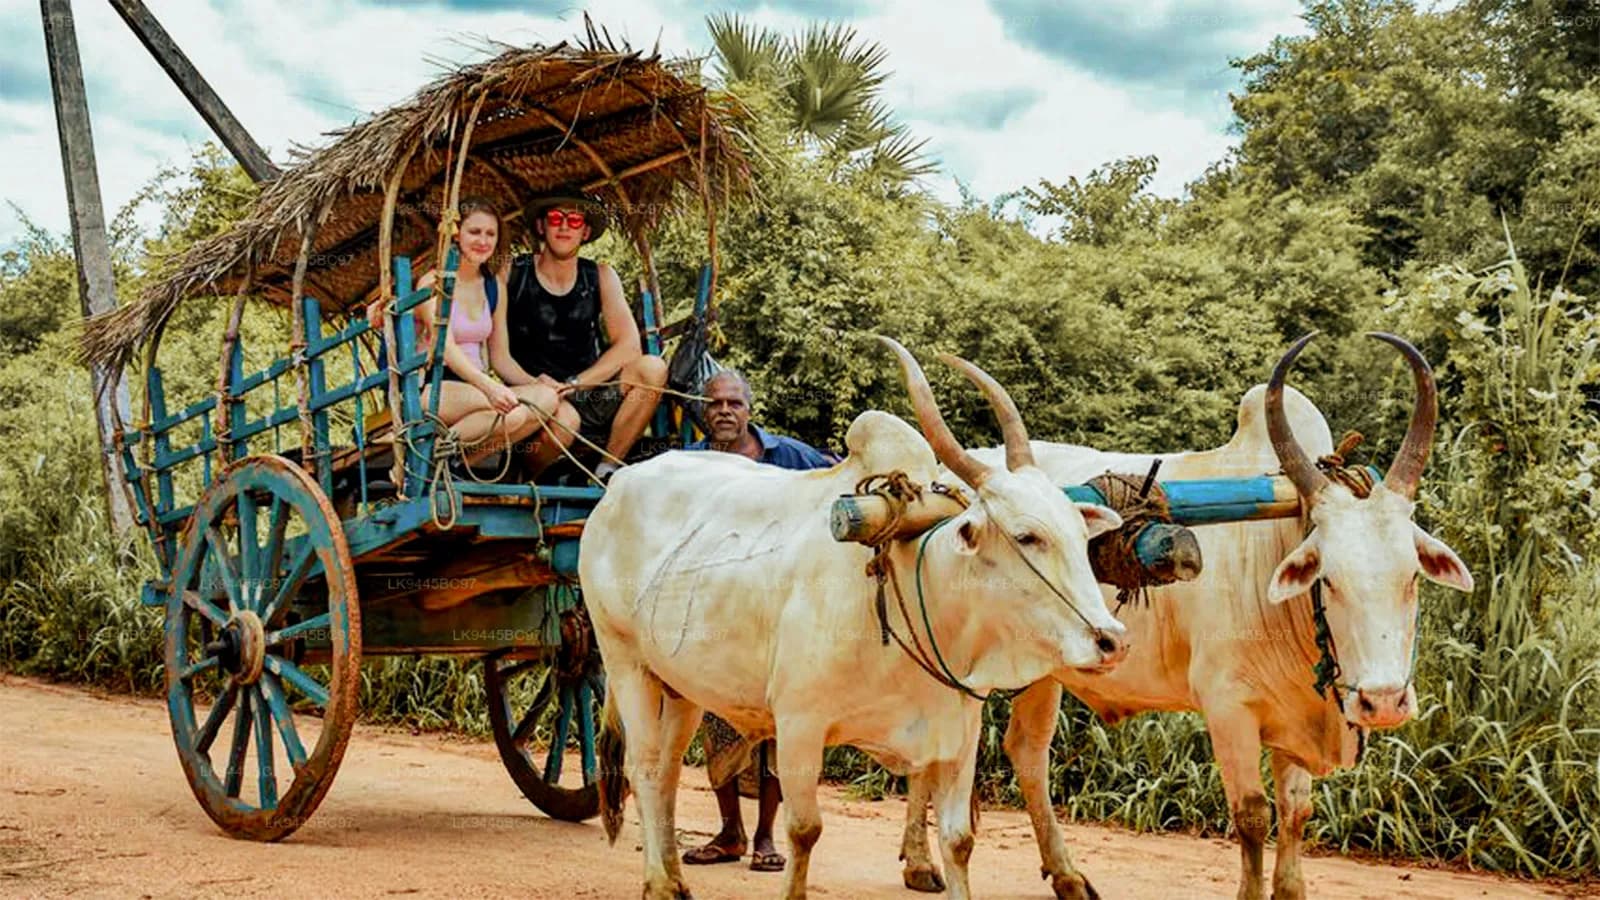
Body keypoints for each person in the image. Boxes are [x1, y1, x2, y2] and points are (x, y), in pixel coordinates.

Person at [681, 368, 834, 874]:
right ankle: (730, 832)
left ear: (750, 410)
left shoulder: (788, 457)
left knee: (777, 727)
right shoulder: (691, 466)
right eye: (716, 404)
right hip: (718, 611)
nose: (725, 411)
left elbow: (837, 475)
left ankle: (767, 837)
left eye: (734, 403)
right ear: (704, 413)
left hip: (782, 612)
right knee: (717, 718)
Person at [366, 196, 557, 466]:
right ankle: (424, 457)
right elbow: (446, 348)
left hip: (473, 388)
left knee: (546, 399)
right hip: (433, 386)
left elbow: (500, 357)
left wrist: (537, 382)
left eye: (490, 234)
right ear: (456, 236)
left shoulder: (494, 287)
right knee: (512, 415)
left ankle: (463, 462)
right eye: (475, 232)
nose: (483, 241)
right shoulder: (433, 282)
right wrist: (489, 387)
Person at [500, 191, 667, 481]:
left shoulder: (601, 275)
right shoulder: (513, 271)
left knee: (653, 368)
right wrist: (540, 388)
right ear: (542, 226)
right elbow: (496, 353)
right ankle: (526, 478)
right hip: (533, 396)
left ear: (585, 231)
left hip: (589, 392)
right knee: (564, 422)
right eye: (555, 218)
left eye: (575, 220)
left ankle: (607, 471)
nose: (564, 226)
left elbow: (629, 347)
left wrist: (577, 384)